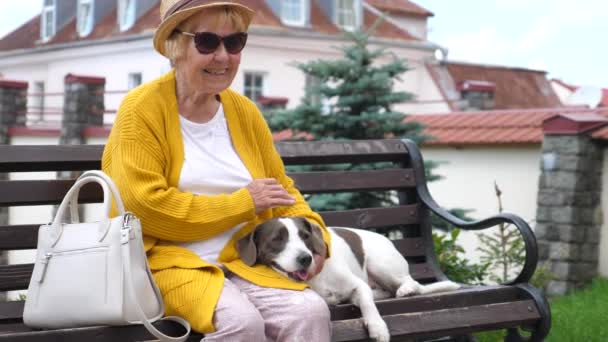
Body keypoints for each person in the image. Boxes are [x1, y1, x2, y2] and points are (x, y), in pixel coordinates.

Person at [102, 0, 332, 341]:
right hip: (169, 264)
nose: (223, 56)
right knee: (242, 323)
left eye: (234, 42)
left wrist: (318, 238)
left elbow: (281, 191)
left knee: (309, 312)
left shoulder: (244, 112)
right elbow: (142, 207)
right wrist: (240, 204)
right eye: (207, 42)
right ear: (175, 46)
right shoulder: (141, 110)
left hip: (247, 263)